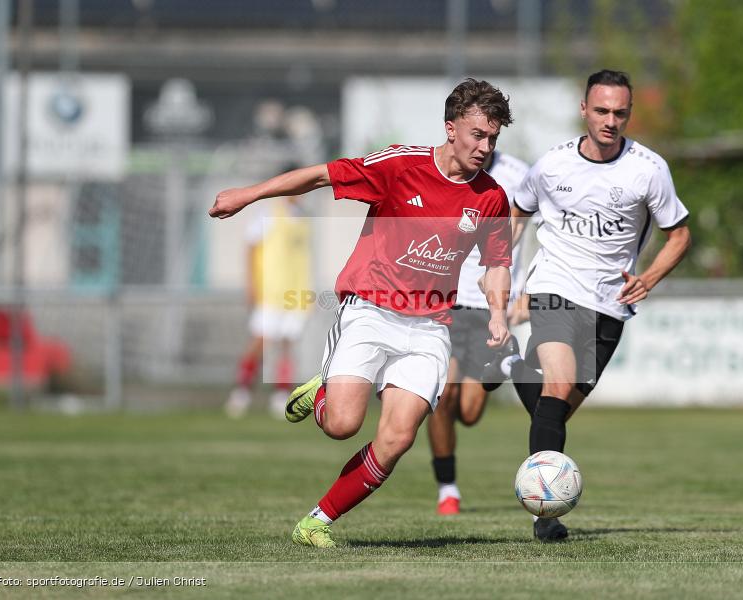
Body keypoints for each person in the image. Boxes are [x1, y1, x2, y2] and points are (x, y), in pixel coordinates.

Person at [209, 78, 515, 548]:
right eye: (478, 134)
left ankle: (316, 521)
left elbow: (496, 262)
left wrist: (497, 313)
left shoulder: (490, 197)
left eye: (493, 138)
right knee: (342, 425)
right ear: (451, 128)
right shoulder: (398, 165)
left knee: (396, 438)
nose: (485, 146)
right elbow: (318, 175)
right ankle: (326, 393)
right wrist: (248, 194)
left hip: (431, 326)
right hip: (371, 310)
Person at [482, 69, 692, 541]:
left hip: (610, 304)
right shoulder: (552, 165)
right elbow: (518, 212)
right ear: (584, 110)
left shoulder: (649, 169)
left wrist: (650, 277)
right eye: (601, 110)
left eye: (620, 112)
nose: (610, 120)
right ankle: (545, 516)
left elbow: (679, 234)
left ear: (629, 114)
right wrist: (502, 267)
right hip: (555, 288)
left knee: (555, 409)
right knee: (556, 385)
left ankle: (512, 363)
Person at [427, 149, 528, 515]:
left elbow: (533, 235)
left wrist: (525, 293)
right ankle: (447, 490)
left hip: (489, 307)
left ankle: (497, 363)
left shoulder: (519, 174)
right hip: (444, 302)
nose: (482, 142)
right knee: (439, 396)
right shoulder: (439, 168)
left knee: (468, 413)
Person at [225, 194, 312, 419]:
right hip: (270, 291)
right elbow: (251, 248)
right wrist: (251, 284)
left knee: (287, 343)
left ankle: (281, 395)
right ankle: (241, 391)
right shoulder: (269, 213)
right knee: (260, 341)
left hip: (296, 293)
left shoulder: (302, 217)